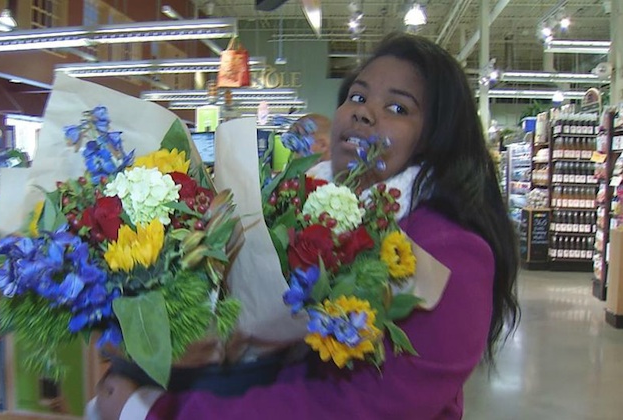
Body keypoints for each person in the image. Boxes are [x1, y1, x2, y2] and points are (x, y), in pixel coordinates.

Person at [86, 32, 520, 420]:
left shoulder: (449, 253)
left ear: (438, 137)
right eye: (356, 96)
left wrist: (160, 411)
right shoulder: (294, 208)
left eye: (397, 107)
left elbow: (362, 406)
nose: (363, 113)